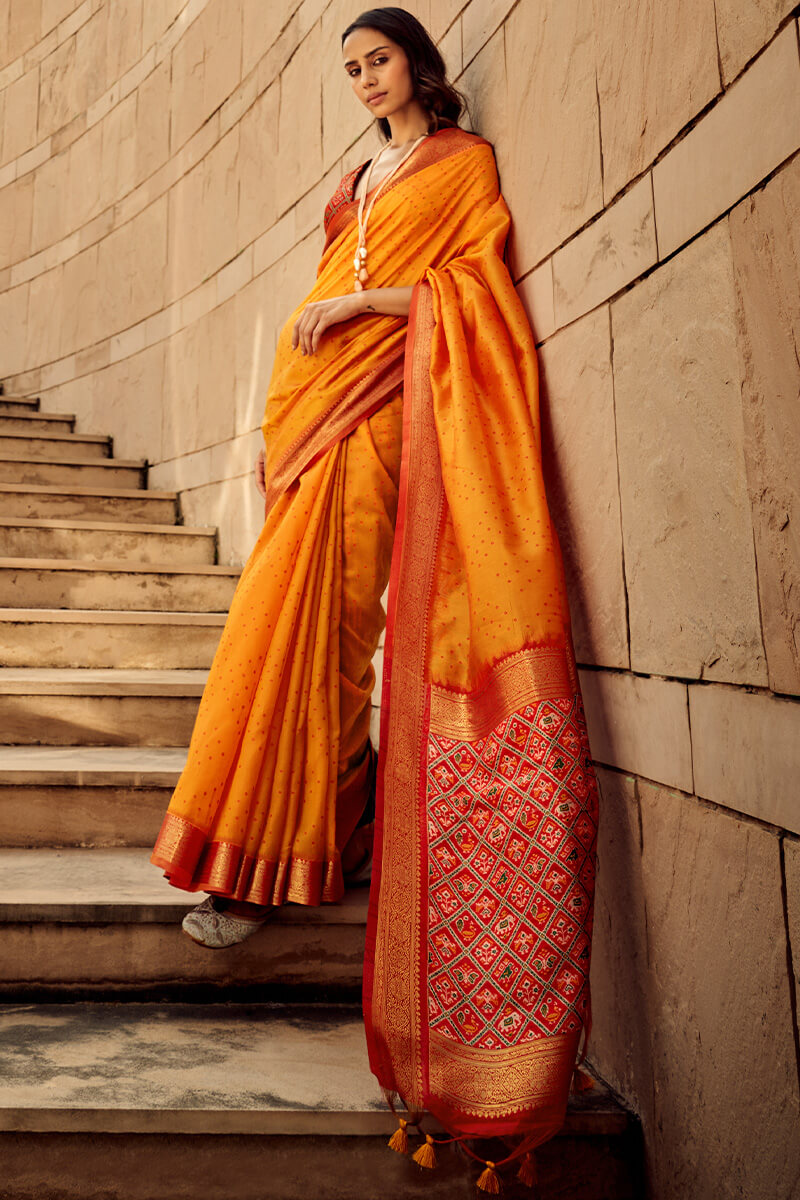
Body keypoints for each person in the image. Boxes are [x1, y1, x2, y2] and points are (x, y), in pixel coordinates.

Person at [150, 6, 601, 1190]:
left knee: (335, 634)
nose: (363, 78)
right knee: (273, 632)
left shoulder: (459, 167)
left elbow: (471, 290)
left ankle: (283, 857)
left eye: (377, 59)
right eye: (348, 67)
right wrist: (277, 415)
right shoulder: (357, 177)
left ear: (417, 64)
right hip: (313, 427)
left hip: (384, 419)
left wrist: (361, 310)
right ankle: (270, 848)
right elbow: (317, 283)